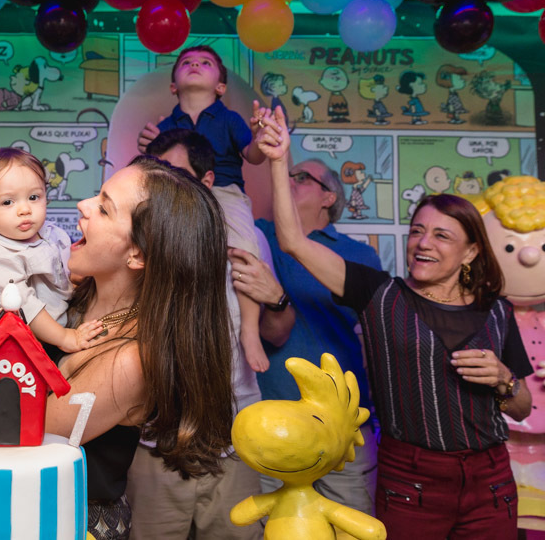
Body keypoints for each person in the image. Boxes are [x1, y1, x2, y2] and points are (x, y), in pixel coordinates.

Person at [0, 155, 238, 540]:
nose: (82, 206)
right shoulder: (71, 295)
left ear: (136, 254)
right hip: (7, 492)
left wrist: (64, 365)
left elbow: (14, 435)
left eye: (103, 209)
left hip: (59, 514)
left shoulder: (131, 358)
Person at [259, 107, 533, 538]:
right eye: (418, 231)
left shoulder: (496, 311)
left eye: (442, 236)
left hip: (490, 480)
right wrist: (278, 161)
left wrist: (504, 379)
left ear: (471, 252)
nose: (423, 243)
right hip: (413, 482)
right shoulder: (381, 294)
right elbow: (293, 241)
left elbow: (522, 406)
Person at [126, 130, 263, 540]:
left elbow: (269, 304)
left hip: (235, 437)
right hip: (156, 439)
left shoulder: (236, 230)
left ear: (205, 183)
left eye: (176, 174)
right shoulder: (138, 243)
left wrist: (272, 304)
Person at [237, 154, 382, 516]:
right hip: (273, 412)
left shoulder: (358, 255)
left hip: (341, 419)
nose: (288, 180)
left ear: (329, 197)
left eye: (301, 177)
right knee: (272, 523)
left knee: (350, 522)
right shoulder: (258, 235)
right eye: (286, 174)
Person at [136, 47, 269, 372]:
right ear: (173, 86)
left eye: (206, 63)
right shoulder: (167, 124)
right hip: (178, 192)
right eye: (186, 63)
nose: (195, 65)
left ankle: (249, 330)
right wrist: (146, 149)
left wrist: (261, 138)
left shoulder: (230, 119)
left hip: (224, 190)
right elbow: (151, 167)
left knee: (245, 249)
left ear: (220, 87)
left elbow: (252, 156)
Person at [0, 147, 102, 352]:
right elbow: (24, 305)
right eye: (7, 202)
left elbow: (64, 269)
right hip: (8, 343)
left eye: (34, 197)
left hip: (49, 332)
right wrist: (64, 337)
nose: (25, 209)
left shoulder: (50, 232)